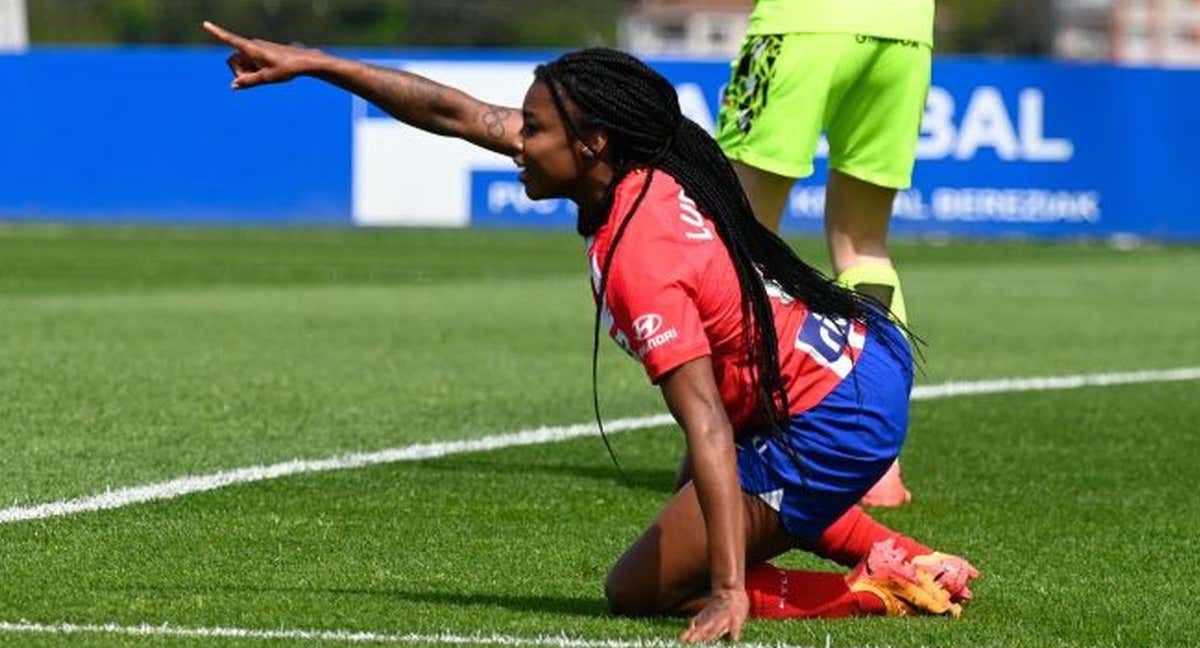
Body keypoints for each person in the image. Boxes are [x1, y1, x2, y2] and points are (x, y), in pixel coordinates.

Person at [204, 23, 977, 643]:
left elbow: (704, 416)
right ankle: (898, 550)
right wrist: (314, 63)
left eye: (535, 131)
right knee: (701, 502)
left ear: (591, 146)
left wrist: (729, 587)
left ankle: (867, 590)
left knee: (639, 587)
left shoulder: (640, 251)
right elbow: (458, 114)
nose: (517, 140)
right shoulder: (650, 167)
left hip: (835, 414)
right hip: (852, 362)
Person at [713, 0, 937, 507]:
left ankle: (738, 435)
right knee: (863, 243)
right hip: (904, 32)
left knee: (740, 235)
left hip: (804, 24)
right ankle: (877, 463)